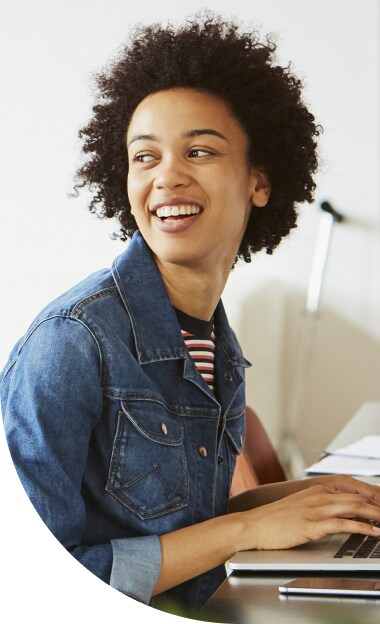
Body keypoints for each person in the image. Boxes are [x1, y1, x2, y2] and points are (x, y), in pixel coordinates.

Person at [1, 13, 380, 617]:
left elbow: (176, 519)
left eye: (199, 150)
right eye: (144, 157)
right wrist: (245, 530)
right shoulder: (70, 343)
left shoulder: (210, 337)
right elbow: (37, 580)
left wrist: (302, 499)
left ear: (259, 180)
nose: (167, 176)